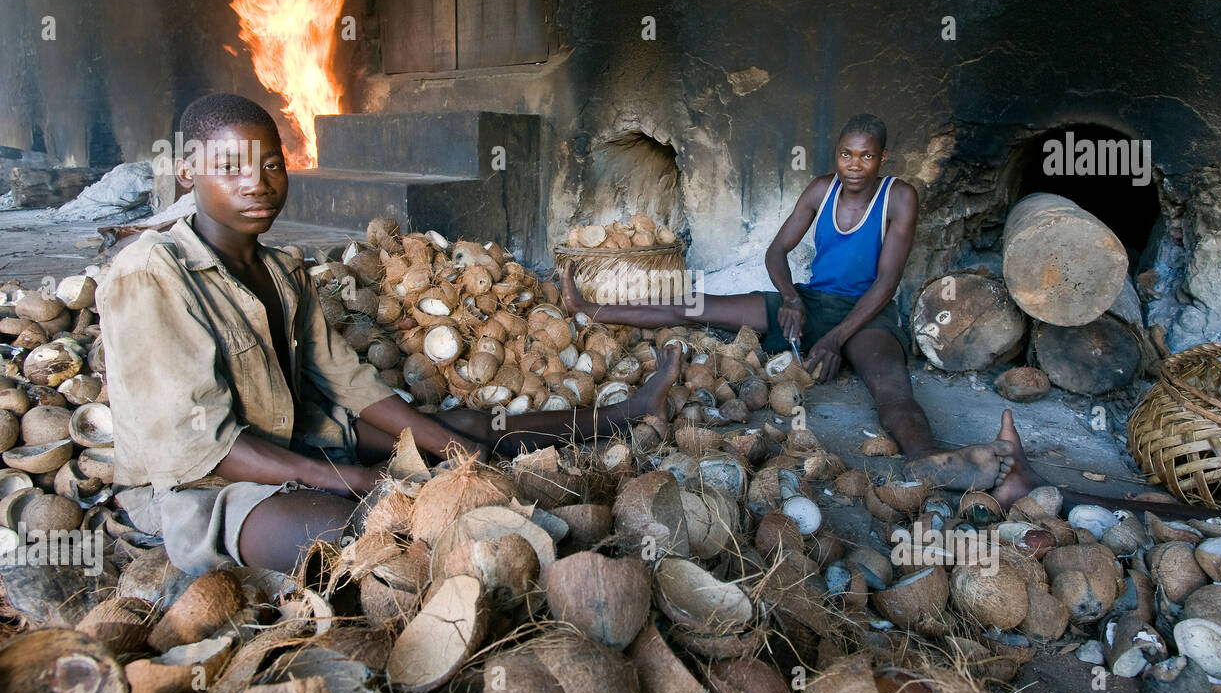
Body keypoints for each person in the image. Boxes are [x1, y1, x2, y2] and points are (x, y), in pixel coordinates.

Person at [100, 93, 681, 576]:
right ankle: (509, 561)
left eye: (271, 165)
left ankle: (627, 411)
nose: (256, 183)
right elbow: (202, 445)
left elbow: (347, 381)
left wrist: (445, 445)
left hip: (302, 440)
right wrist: (357, 479)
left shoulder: (281, 270)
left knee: (470, 426)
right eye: (230, 167)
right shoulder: (151, 273)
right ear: (186, 171)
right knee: (371, 531)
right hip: (206, 487)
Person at [563, 113, 1015, 493]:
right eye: (846, 154)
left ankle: (928, 458)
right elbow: (776, 253)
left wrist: (836, 339)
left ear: (882, 159)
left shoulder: (898, 196)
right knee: (694, 304)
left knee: (892, 390)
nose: (854, 165)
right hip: (813, 301)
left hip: (869, 314)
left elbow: (886, 282)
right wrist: (793, 301)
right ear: (836, 154)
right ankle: (590, 308)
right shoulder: (822, 190)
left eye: (866, 156)